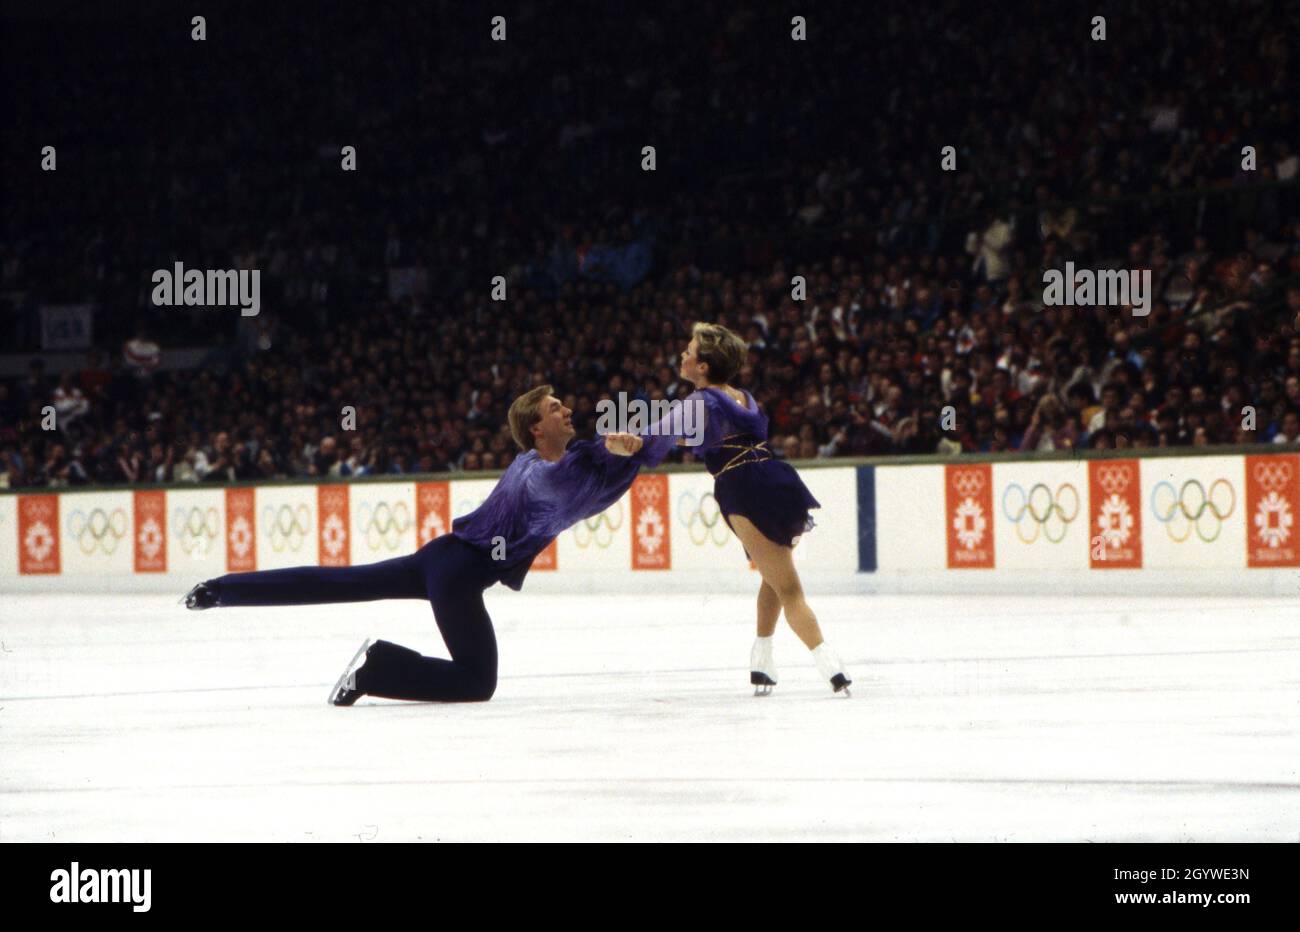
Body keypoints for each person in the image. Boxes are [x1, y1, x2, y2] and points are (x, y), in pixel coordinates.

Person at [183, 385, 647, 705]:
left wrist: (617, 450)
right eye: (555, 407)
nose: (567, 411)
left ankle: (221, 589)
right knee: (476, 681)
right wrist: (614, 450)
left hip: (442, 558)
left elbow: (575, 471)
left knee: (341, 581)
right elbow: (571, 471)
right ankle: (376, 669)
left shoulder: (527, 461)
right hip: (458, 573)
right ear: (535, 429)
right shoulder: (539, 472)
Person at [635, 322, 853, 695]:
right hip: (777, 481)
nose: (683, 356)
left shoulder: (700, 401)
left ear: (703, 366)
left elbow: (656, 438)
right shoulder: (742, 396)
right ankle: (762, 659)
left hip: (742, 488)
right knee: (774, 576)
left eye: (689, 351)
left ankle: (829, 664)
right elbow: (710, 435)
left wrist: (628, 442)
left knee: (787, 586)